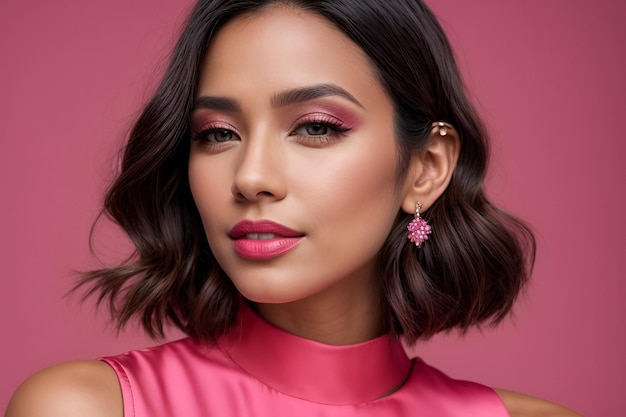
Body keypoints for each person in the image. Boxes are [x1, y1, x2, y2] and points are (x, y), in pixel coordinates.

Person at [5, 1, 581, 416]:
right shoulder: (86, 408)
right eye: (217, 134)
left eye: (315, 127)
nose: (252, 177)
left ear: (426, 166)